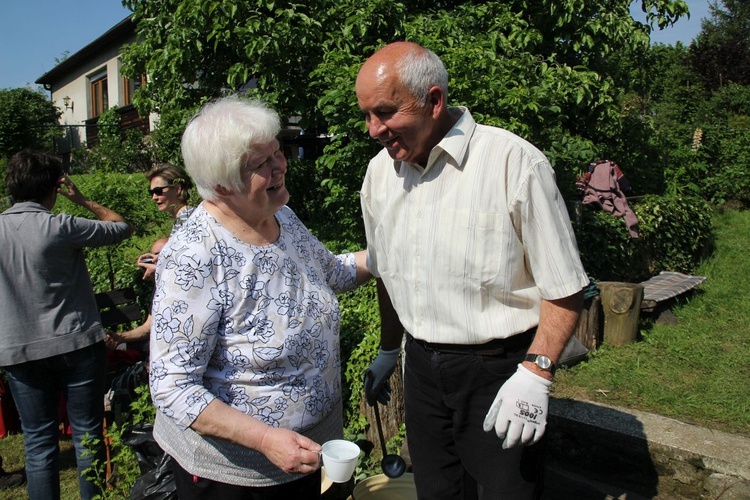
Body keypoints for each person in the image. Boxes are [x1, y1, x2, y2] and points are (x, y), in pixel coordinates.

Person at [357, 42, 589, 499]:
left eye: (384, 112)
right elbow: (386, 273)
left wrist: (537, 371)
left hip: (499, 371)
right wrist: (389, 349)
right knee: (437, 491)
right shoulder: (379, 175)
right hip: (421, 369)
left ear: (434, 100)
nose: (373, 129)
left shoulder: (513, 163)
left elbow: (565, 286)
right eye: (366, 114)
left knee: (507, 492)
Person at [149, 95, 371, 499]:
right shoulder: (193, 256)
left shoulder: (278, 214)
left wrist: (394, 251)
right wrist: (266, 439)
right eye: (261, 164)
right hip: (237, 477)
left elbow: (332, 272)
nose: (279, 166)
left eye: (277, 152)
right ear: (220, 185)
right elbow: (172, 386)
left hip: (309, 456)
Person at [0, 149, 133, 500]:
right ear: (54, 186)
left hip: (20, 350)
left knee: (38, 443)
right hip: (77, 344)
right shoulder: (60, 225)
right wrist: (82, 199)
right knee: (87, 435)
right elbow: (121, 227)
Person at [105, 237, 168, 351]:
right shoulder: (159, 287)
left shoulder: (186, 283)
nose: (154, 260)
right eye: (152, 256)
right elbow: (148, 327)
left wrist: (162, 273)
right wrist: (120, 337)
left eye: (160, 254)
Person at [138, 163, 195, 280]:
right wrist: (158, 259)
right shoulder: (183, 218)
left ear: (177, 189)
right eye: (152, 192)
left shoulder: (189, 219)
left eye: (158, 191)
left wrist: (158, 270)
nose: (154, 197)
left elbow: (194, 264)